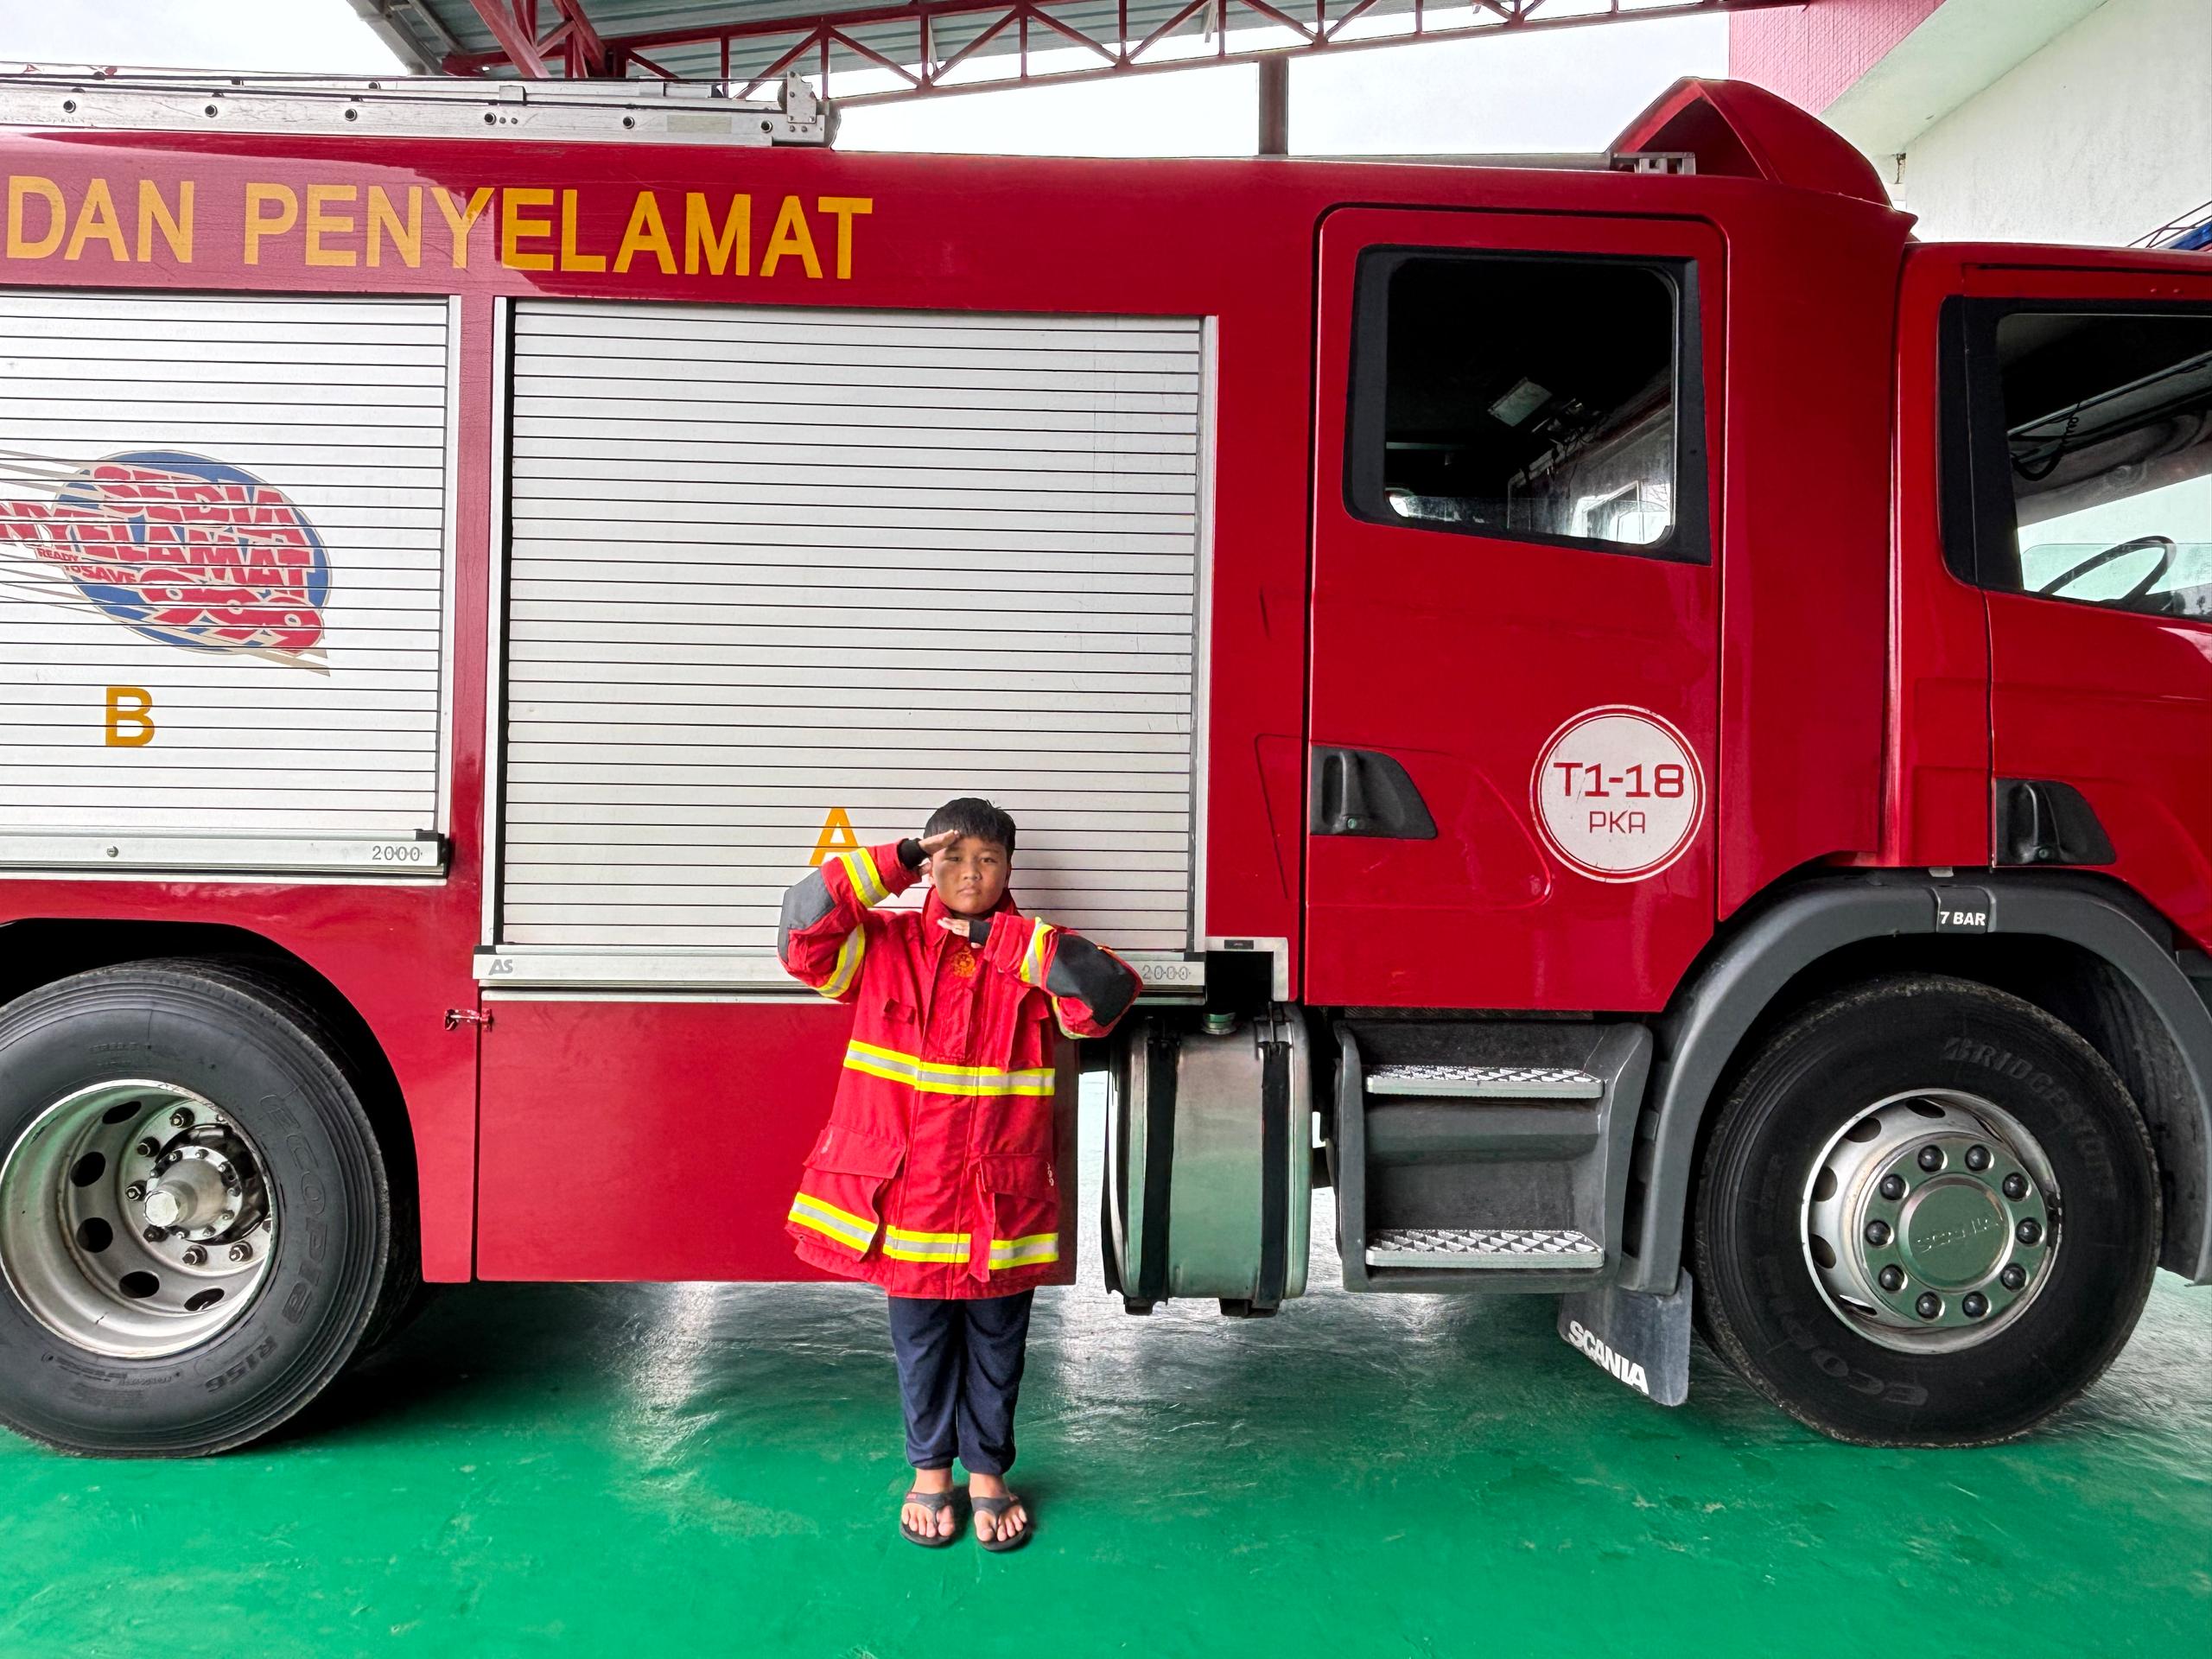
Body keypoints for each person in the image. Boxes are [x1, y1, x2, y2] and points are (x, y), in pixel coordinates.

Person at [777, 797, 1141, 1552]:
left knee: (999, 1348)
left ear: (1009, 870)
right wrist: (896, 859)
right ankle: (930, 1473)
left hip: (995, 1208)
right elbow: (800, 929)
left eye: (987, 860)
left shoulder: (1034, 952)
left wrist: (1003, 941)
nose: (969, 874)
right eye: (950, 858)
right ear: (928, 865)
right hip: (906, 1202)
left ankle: (988, 1476)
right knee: (920, 1348)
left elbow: (1109, 993)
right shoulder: (882, 942)